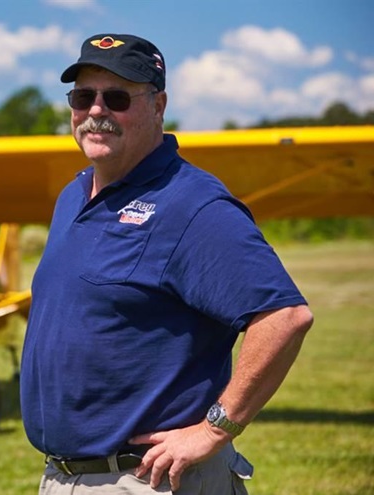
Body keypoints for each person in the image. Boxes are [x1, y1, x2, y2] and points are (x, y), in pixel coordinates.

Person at [19, 33, 313, 494]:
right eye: (83, 96)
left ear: (158, 105)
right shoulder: (73, 194)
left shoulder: (192, 204)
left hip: (148, 480)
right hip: (67, 475)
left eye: (116, 98)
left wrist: (215, 429)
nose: (97, 111)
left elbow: (284, 317)